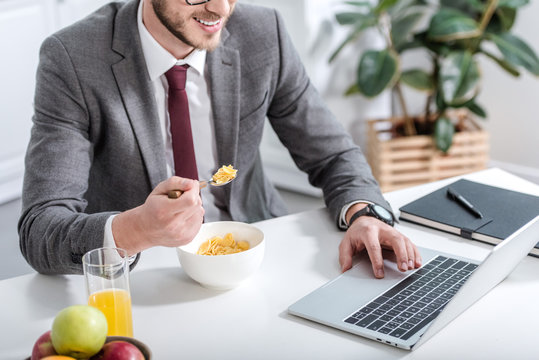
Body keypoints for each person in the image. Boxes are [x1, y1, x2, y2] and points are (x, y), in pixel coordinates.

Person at [18, 0, 422, 277]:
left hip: (256, 256)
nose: (220, 9)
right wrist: (134, 231)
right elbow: (40, 229)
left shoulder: (263, 33)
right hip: (143, 275)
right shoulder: (72, 58)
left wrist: (365, 213)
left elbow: (332, 154)